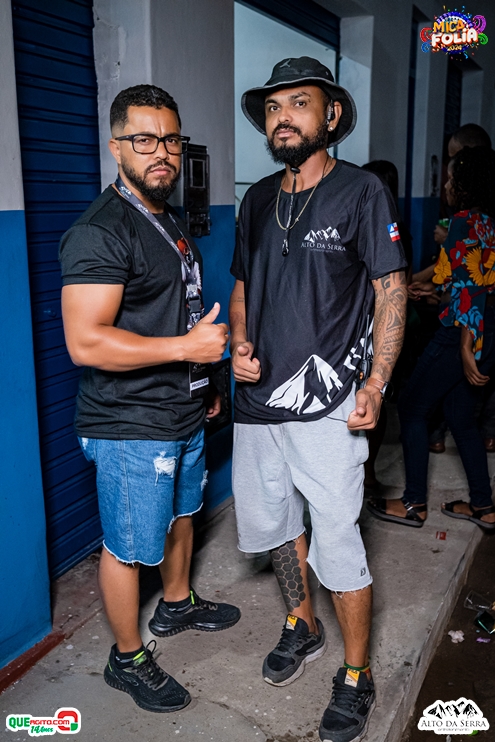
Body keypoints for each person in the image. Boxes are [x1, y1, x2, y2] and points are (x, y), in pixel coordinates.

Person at [230, 57, 407, 742]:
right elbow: (242, 288)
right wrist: (239, 343)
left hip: (329, 403)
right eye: (274, 108)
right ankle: (300, 623)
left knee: (338, 541)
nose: (283, 118)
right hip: (257, 404)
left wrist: (376, 383)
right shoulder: (255, 200)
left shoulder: (361, 192)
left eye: (298, 104)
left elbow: (390, 292)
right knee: (278, 525)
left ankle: (357, 673)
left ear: (329, 114)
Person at [59, 84, 240, 714]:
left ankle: (178, 604)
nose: (160, 151)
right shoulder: (101, 231)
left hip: (180, 408)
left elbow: (175, 311)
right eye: (143, 139)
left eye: (170, 139)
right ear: (116, 148)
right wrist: (187, 349)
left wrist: (204, 380)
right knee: (129, 545)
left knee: (183, 515)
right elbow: (85, 341)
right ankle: (126, 658)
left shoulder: (165, 217)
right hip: (129, 423)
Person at [367, 146, 495, 530]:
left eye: (452, 179)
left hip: (462, 333)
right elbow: (461, 279)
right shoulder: (487, 223)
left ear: (466, 186)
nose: (446, 185)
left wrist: (465, 346)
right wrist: (426, 290)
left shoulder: (462, 223)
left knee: (411, 407)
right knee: (459, 414)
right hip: (488, 328)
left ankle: (413, 503)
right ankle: (484, 506)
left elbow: (470, 290)